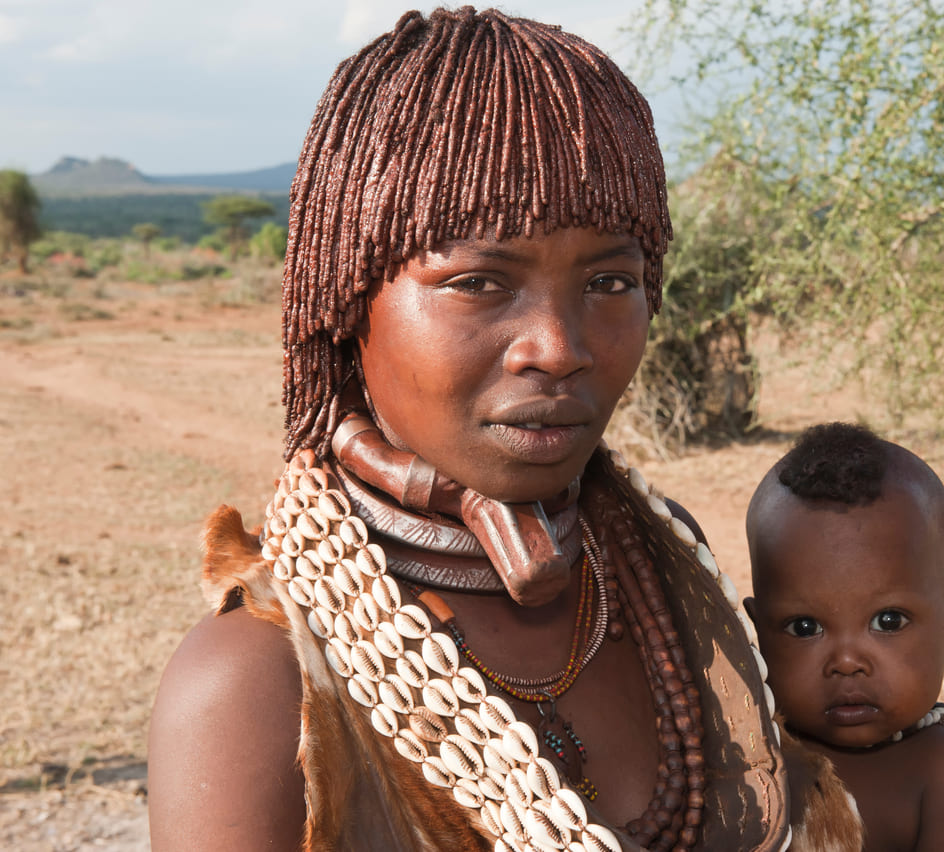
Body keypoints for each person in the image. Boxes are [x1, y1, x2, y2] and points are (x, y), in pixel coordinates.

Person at [147, 8, 796, 851]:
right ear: (346, 304)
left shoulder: (669, 576)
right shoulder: (257, 686)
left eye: (609, 280)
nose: (559, 350)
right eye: (480, 282)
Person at [745, 423, 944, 852]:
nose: (847, 661)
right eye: (805, 628)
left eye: (888, 621)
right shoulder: (748, 757)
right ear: (758, 634)